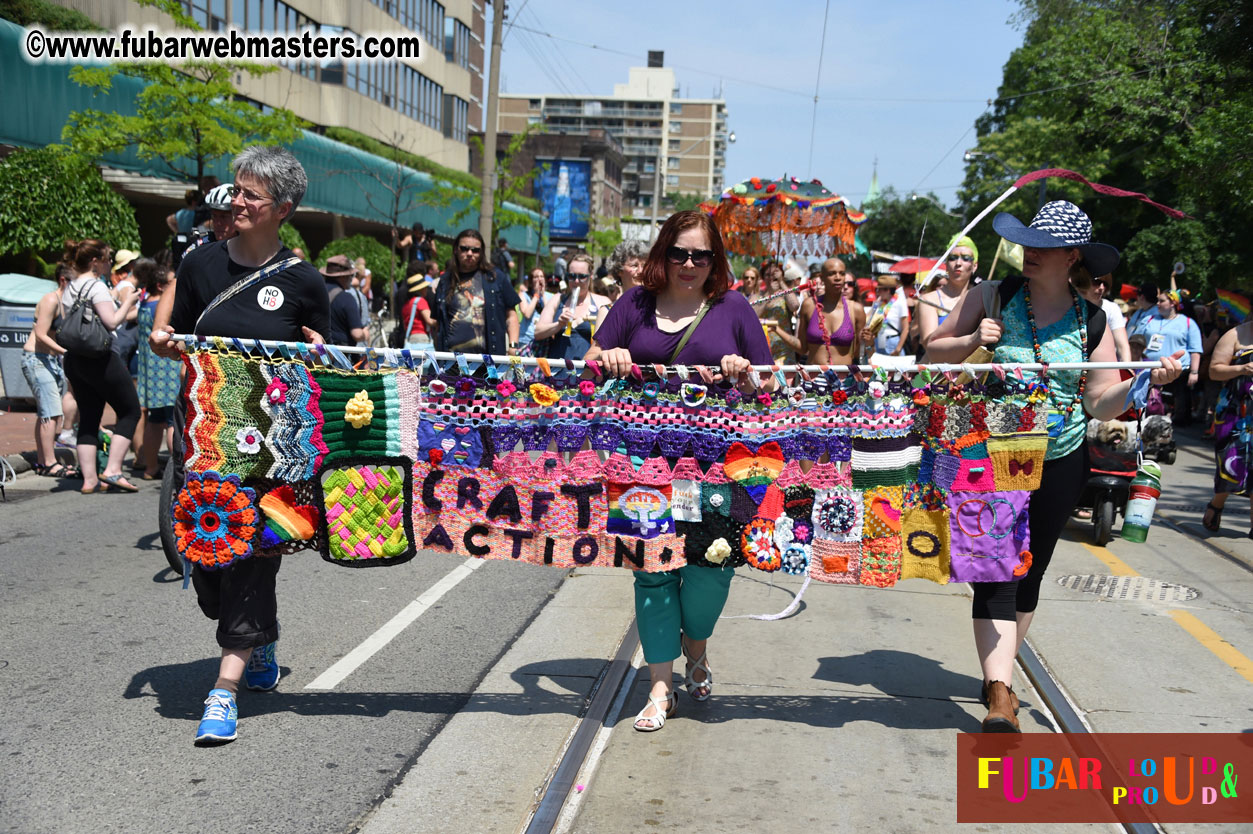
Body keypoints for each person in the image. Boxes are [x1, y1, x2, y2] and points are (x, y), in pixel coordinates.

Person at [928, 200, 1181, 733]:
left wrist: (1144, 382)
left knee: (1029, 572)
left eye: (1042, 247)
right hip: (990, 455)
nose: (1029, 253)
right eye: (1027, 243)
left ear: (1071, 257)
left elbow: (1099, 402)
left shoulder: (1092, 320)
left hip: (1060, 459)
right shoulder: (992, 295)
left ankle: (1000, 678)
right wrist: (974, 341)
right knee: (993, 572)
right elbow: (931, 353)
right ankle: (999, 693)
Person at [150, 145, 330, 746]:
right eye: (237, 190)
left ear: (283, 208)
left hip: (268, 449)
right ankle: (258, 634)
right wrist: (166, 344)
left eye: (251, 194)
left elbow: (316, 371)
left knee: (249, 552)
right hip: (204, 434)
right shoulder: (200, 265)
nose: (238, 201)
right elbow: (172, 335)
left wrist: (317, 354)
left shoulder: (305, 282)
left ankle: (222, 692)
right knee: (203, 560)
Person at [585, 209, 774, 732]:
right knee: (651, 574)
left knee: (710, 572)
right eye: (679, 253)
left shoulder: (733, 307)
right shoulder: (635, 303)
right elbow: (592, 357)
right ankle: (661, 687)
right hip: (640, 461)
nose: (689, 263)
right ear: (662, 254)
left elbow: (770, 383)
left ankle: (698, 647)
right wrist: (611, 355)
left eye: (701, 255)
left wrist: (745, 374)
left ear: (714, 261)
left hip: (715, 466)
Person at [58, 240, 141, 494]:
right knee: (130, 411)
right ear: (95, 262)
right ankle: (114, 470)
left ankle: (89, 480)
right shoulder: (96, 287)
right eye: (106, 259)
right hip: (101, 358)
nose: (108, 264)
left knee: (89, 417)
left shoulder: (70, 287)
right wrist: (130, 302)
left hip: (75, 359)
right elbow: (112, 322)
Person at [19, 264, 78, 478]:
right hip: (36, 358)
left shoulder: (65, 302)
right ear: (63, 280)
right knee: (51, 412)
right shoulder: (50, 300)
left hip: (50, 359)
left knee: (48, 412)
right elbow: (41, 334)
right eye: (74, 283)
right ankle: (49, 463)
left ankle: (44, 460)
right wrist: (65, 351)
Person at [431, 229, 520, 356]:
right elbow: (437, 323)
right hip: (450, 362)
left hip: (488, 363)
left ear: (481, 252)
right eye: (464, 248)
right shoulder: (445, 280)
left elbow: (511, 315)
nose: (469, 253)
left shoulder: (495, 278)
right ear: (456, 250)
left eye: (475, 250)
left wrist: (513, 347)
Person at [1202, 314, 1253, 535]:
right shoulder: (1235, 334)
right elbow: (1214, 370)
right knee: (1231, 462)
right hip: (1236, 411)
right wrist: (1241, 369)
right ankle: (1217, 503)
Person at [132, 257, 181, 479]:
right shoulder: (160, 309)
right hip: (168, 369)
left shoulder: (144, 304)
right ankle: (175, 469)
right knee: (172, 421)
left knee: (154, 420)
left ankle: (150, 467)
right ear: (161, 286)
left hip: (150, 370)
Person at [1133, 288, 1201, 424]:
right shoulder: (1149, 319)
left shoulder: (1188, 323)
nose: (1157, 303)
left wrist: (1194, 372)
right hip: (1149, 368)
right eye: (1157, 300)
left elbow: (1195, 350)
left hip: (1178, 370)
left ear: (1172, 303)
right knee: (1150, 404)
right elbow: (1134, 342)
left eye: (1161, 301)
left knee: (1178, 403)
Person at [534, 254, 610, 362]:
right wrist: (558, 324)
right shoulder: (558, 299)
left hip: (589, 371)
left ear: (591, 276)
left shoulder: (602, 302)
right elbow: (538, 333)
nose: (576, 281)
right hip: (558, 369)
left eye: (582, 276)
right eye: (572, 276)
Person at [794, 258, 865, 365]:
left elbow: (858, 354)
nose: (838, 278)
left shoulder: (856, 309)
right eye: (832, 273)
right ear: (822, 278)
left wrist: (868, 343)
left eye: (841, 274)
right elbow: (802, 348)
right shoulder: (809, 305)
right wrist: (778, 330)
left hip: (843, 378)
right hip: (813, 376)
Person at [918, 235, 978, 348]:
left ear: (974, 266)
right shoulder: (929, 300)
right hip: (938, 364)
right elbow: (929, 344)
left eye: (965, 258)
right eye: (952, 257)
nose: (958, 263)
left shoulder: (982, 299)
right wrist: (972, 339)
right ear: (945, 265)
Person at [1073, 273, 1131, 362]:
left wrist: (1127, 368)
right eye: (1096, 282)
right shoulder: (1070, 307)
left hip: (1104, 365)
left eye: (1105, 284)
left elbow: (1122, 345)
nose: (1101, 287)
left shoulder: (1111, 308)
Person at [754, 260, 801, 362]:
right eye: (767, 275)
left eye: (774, 275)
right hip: (762, 351)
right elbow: (752, 315)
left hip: (783, 352)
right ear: (763, 277)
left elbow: (795, 306)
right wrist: (769, 296)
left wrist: (781, 282)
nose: (771, 278)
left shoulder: (785, 294)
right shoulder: (758, 296)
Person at [320, 255, 367, 347]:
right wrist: (365, 334)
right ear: (343, 277)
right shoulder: (346, 298)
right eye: (351, 275)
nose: (352, 278)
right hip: (341, 354)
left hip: (318, 352)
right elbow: (357, 334)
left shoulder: (316, 292)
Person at [865, 275, 909, 356]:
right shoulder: (880, 304)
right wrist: (874, 306)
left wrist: (898, 348)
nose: (877, 292)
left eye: (879, 290)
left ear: (888, 290)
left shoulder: (900, 303)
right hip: (879, 342)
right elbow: (867, 319)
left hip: (893, 341)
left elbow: (905, 328)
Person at [516, 267, 551, 356]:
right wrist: (536, 295)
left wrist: (542, 295)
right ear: (531, 280)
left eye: (541, 276)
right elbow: (527, 314)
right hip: (526, 339)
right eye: (536, 277)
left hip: (544, 339)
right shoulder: (523, 295)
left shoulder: (550, 296)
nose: (539, 279)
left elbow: (550, 314)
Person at [400, 274, 437, 351]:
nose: (426, 289)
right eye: (424, 287)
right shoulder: (420, 301)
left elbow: (405, 326)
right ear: (420, 289)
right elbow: (430, 321)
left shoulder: (406, 305)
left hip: (410, 338)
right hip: (422, 339)